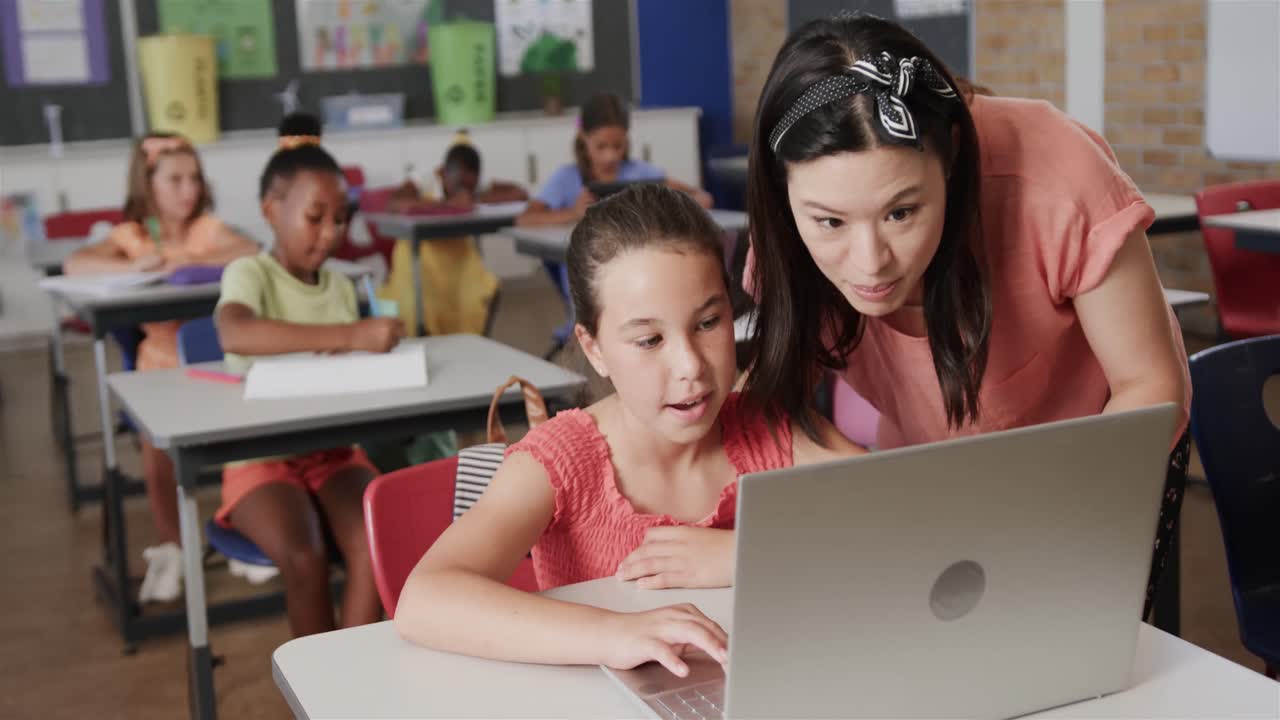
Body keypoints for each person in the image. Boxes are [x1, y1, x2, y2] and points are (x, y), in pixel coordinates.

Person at [742, 14, 1191, 618]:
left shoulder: (1056, 174)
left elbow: (1147, 384)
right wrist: (874, 487)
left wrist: (1037, 528)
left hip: (1099, 455)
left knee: (1063, 637)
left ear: (951, 155)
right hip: (928, 469)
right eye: (830, 222)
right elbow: (778, 412)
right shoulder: (785, 233)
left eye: (901, 213)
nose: (870, 263)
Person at [394, 184, 862, 676]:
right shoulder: (561, 461)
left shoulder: (770, 427)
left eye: (708, 322)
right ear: (594, 348)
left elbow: (900, 516)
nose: (690, 366)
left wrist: (750, 554)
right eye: (649, 340)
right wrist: (614, 633)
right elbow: (425, 600)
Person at [213, 142, 405, 636]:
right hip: (262, 457)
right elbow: (235, 333)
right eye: (315, 217)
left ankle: (351, 672)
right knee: (304, 557)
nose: (330, 232)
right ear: (271, 210)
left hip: (333, 453)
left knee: (376, 545)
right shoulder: (250, 273)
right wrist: (349, 335)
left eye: (340, 219)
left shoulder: (340, 286)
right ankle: (314, 679)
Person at [64, 132, 257, 603]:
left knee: (248, 432)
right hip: (160, 365)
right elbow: (75, 264)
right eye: (175, 179)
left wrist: (179, 262)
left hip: (214, 360)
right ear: (148, 183)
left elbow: (250, 250)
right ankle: (173, 545)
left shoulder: (206, 229)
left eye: (195, 178)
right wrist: (134, 267)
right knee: (156, 444)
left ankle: (242, 524)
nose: (188, 189)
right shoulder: (132, 236)